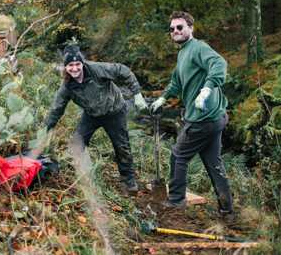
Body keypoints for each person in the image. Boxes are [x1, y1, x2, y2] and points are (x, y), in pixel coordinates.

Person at [150, 11, 233, 216]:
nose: (175, 31)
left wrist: (206, 90)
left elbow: (219, 64)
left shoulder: (199, 47)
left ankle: (176, 201)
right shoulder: (183, 52)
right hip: (215, 118)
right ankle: (227, 210)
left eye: (179, 27)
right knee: (214, 164)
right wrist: (163, 97)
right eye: (171, 29)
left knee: (178, 156)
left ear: (190, 28)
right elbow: (177, 81)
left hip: (202, 119)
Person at [44, 44, 148, 192]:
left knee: (121, 146)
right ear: (65, 67)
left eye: (77, 64)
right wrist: (46, 129)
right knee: (76, 143)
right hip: (91, 114)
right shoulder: (67, 86)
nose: (75, 68)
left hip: (114, 111)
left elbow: (122, 70)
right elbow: (57, 108)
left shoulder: (97, 69)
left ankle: (129, 181)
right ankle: (84, 175)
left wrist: (137, 94)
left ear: (82, 63)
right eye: (70, 65)